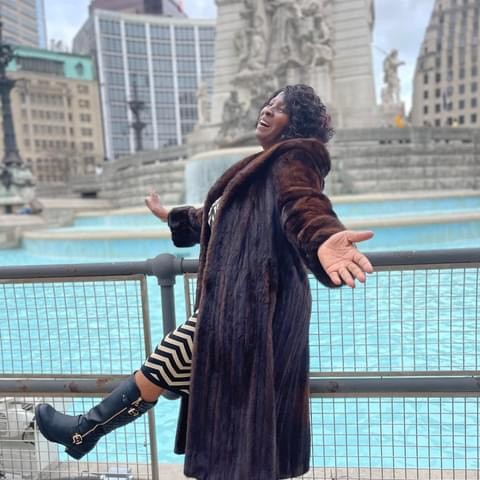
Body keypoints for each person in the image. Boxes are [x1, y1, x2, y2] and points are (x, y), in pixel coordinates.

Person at [35, 84, 374, 479]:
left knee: (172, 364)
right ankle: (84, 432)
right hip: (234, 307)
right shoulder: (258, 168)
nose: (267, 110)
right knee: (186, 381)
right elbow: (217, 218)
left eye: (279, 108)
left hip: (258, 308)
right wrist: (171, 216)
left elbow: (303, 206)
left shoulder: (295, 158)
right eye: (267, 103)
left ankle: (84, 431)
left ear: (295, 123)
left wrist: (321, 238)